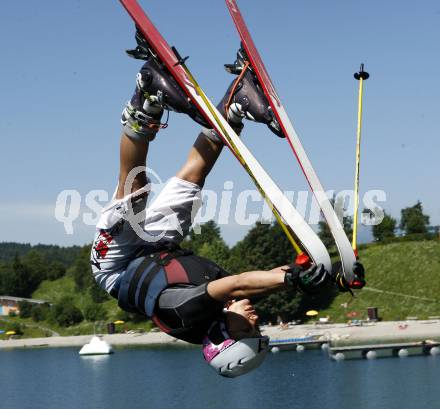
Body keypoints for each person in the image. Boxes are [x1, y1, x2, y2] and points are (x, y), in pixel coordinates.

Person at [90, 42, 365, 377]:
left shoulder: (184, 314)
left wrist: (292, 278)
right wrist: (333, 276)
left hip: (116, 264)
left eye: (249, 330)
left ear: (224, 336)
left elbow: (237, 284)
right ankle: (236, 103)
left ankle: (145, 94)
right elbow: (274, 278)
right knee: (194, 175)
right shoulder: (228, 309)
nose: (256, 321)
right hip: (161, 248)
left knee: (135, 192)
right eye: (258, 329)